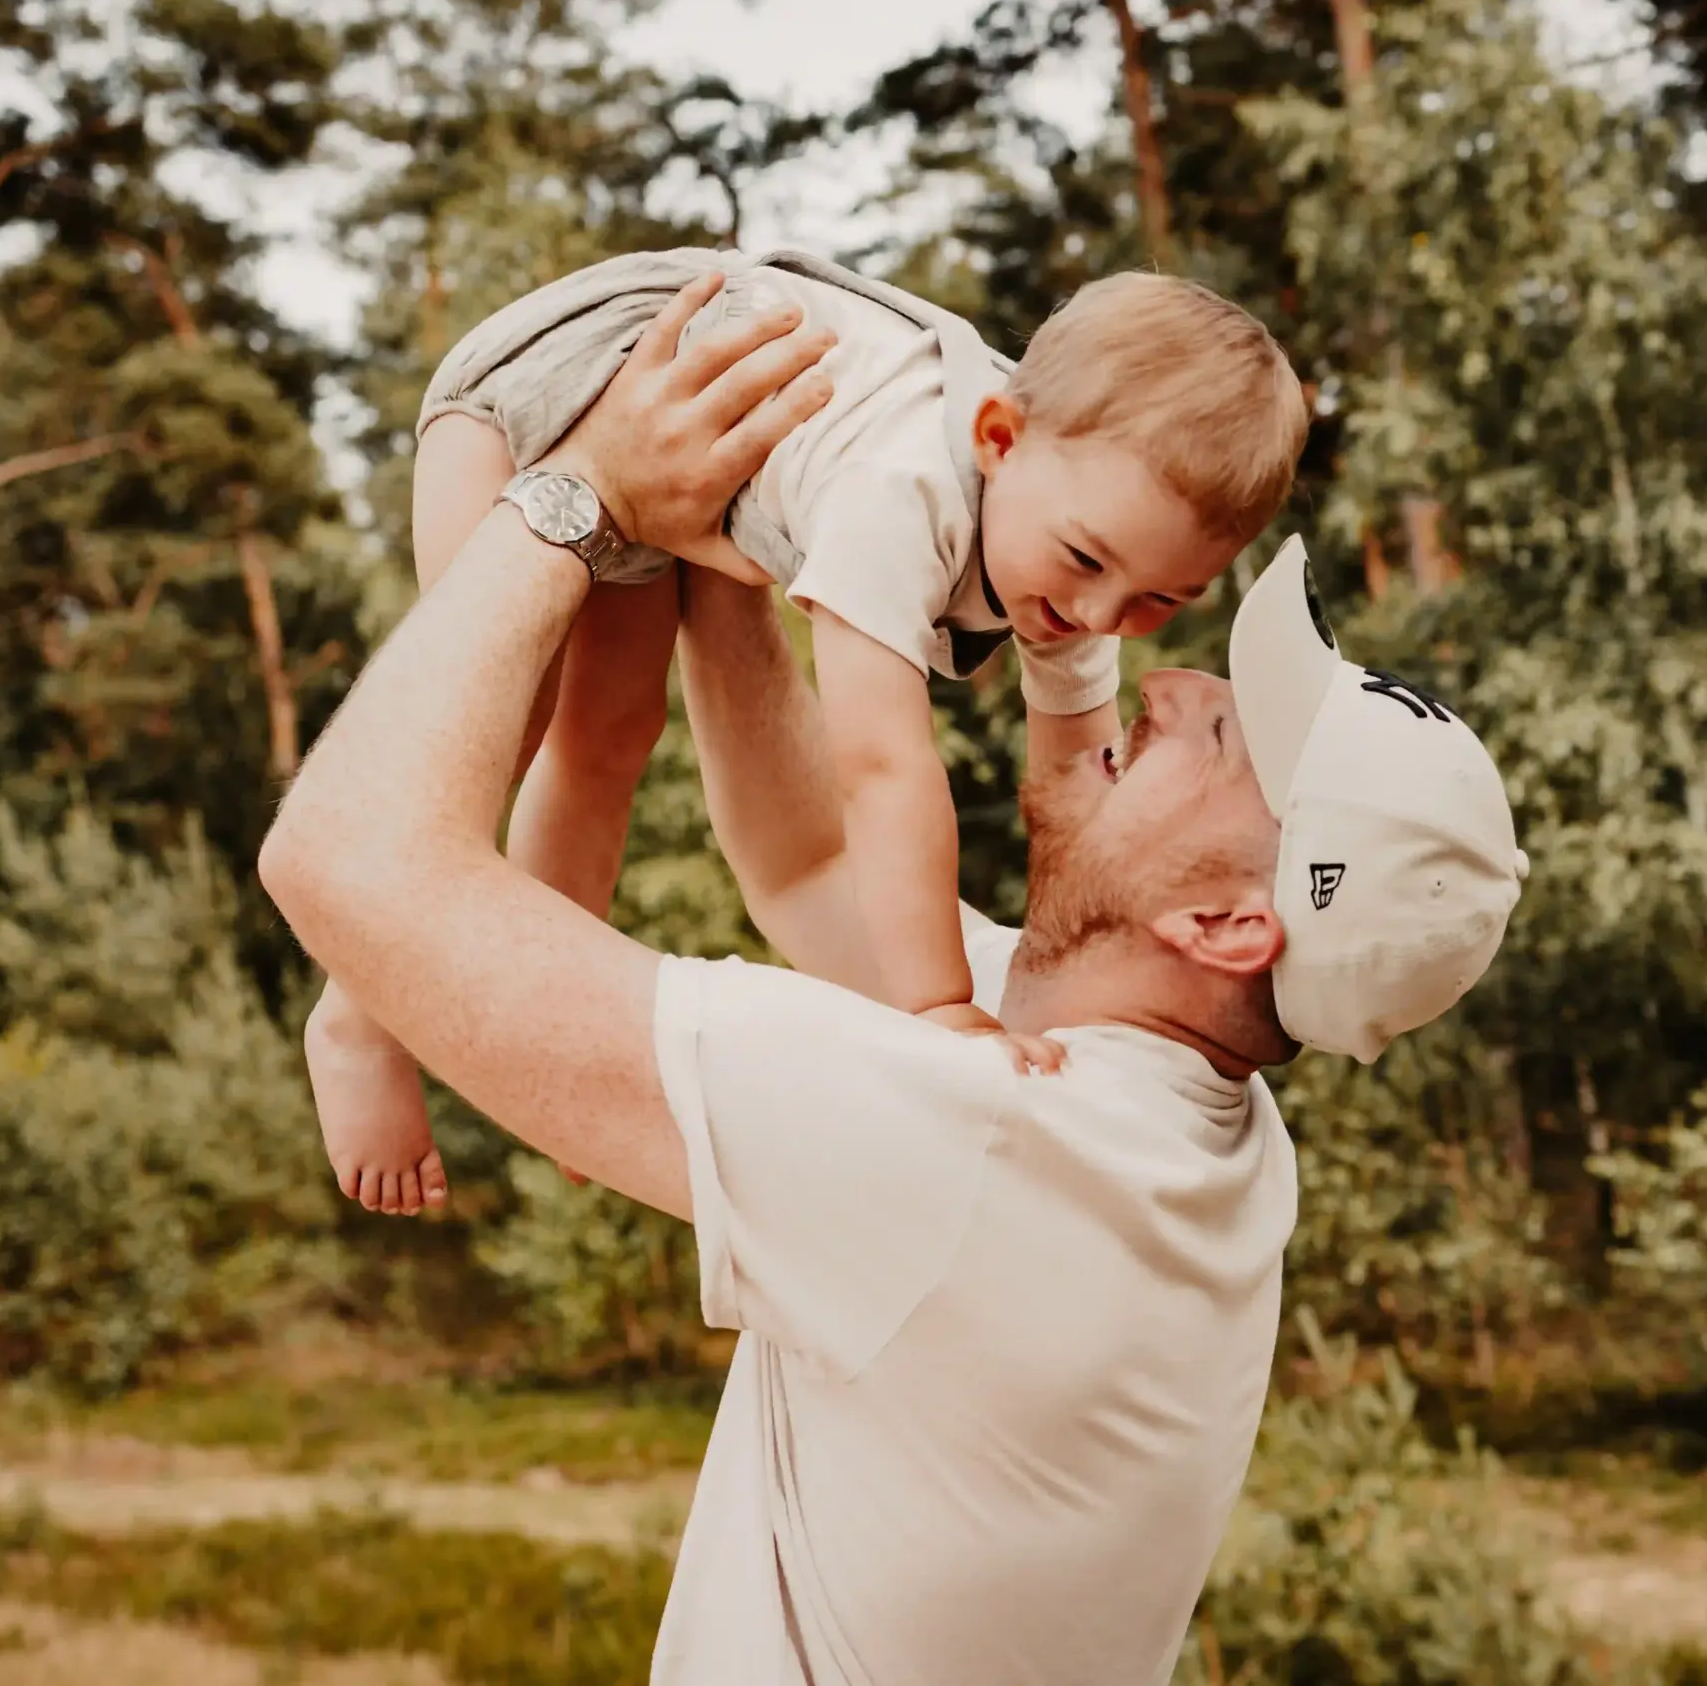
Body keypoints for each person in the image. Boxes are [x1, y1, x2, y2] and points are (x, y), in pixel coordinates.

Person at [258, 283, 1527, 1684]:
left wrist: (582, 489)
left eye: (1217, 733)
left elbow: (340, 857)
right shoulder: (1164, 1123)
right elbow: (807, 858)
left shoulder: (988, 1128)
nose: (1157, 680)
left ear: (1229, 921)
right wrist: (743, 531)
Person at [306, 255, 1311, 1215]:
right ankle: (358, 1018)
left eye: (1161, 602)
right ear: (998, 440)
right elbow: (878, 767)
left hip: (676, 462)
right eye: (1088, 564)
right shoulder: (903, 489)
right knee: (497, 722)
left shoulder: (1077, 526)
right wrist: (938, 1008)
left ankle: (532, 1059)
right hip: (558, 385)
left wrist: (1060, 942)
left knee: (608, 740)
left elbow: (1071, 790)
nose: (1100, 616)